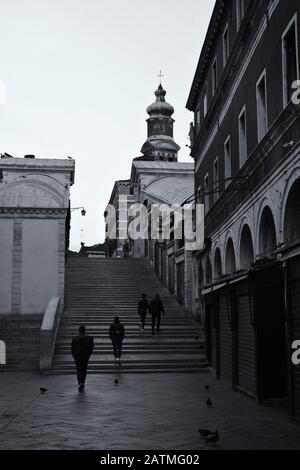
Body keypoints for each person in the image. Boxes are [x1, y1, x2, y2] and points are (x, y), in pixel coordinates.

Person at [71, 325, 94, 392]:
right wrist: (88, 355)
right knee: (84, 369)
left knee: (78, 370)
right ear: (85, 330)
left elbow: (72, 349)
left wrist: (74, 357)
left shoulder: (75, 338)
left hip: (78, 356)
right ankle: (82, 382)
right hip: (85, 356)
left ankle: (80, 382)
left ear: (79, 330)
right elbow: (91, 347)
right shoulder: (90, 338)